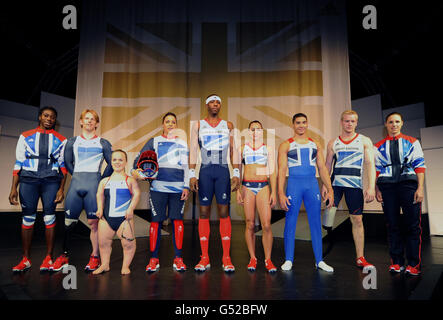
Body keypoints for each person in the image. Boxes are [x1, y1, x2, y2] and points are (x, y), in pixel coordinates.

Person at [51, 109, 113, 272]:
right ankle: (64, 256)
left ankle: (95, 256)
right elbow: (67, 162)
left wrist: (100, 179)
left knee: (94, 224)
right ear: (81, 121)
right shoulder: (72, 142)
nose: (89, 121)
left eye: (93, 119)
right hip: (76, 185)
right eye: (86, 118)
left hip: (94, 185)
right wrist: (77, 175)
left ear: (97, 124)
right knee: (68, 223)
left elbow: (112, 164)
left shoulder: (103, 142)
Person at [9, 106, 67, 272]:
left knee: (49, 218)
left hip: (51, 181)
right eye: (46, 115)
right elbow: (18, 162)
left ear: (55, 120)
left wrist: (61, 189)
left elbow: (63, 166)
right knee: (28, 219)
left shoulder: (61, 140)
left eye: (52, 117)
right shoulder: (25, 136)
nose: (49, 119)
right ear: (40, 117)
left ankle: (48, 258)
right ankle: (25, 259)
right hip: (28, 181)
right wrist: (13, 187)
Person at [132, 112, 190, 272]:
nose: (170, 124)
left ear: (176, 125)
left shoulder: (183, 144)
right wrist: (141, 173)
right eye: (167, 121)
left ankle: (178, 258)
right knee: (156, 222)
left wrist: (186, 186)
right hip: (158, 188)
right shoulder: (154, 141)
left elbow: (186, 167)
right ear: (162, 125)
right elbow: (138, 161)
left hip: (178, 189)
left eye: (173, 122)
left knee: (177, 221)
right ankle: (154, 259)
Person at [189, 94, 241, 273]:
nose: (215, 104)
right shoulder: (198, 125)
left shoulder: (228, 125)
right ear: (206, 105)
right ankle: (204, 257)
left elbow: (233, 150)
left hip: (222, 172)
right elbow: (194, 151)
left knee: (224, 211)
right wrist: (191, 174)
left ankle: (226, 257)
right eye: (212, 101)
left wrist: (236, 172)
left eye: (218, 102)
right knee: (203, 212)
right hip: (204, 172)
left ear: (220, 105)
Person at [278, 113, 334, 272]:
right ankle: (288, 259)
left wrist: (329, 189)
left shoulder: (315, 144)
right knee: (290, 221)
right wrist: (281, 193)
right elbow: (281, 170)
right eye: (298, 123)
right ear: (293, 125)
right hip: (294, 185)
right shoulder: (285, 145)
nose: (301, 125)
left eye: (303, 122)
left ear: (307, 124)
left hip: (311, 185)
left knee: (316, 222)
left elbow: (322, 168)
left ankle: (319, 260)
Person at [322, 110, 376, 268]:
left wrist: (371, 187)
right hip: (335, 186)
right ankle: (321, 254)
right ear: (341, 122)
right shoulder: (333, 142)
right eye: (346, 121)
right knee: (328, 216)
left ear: (356, 123)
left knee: (357, 220)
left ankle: (360, 257)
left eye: (352, 121)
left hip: (354, 186)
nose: (349, 124)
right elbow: (327, 166)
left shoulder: (364, 141)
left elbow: (370, 165)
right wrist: (325, 186)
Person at [374, 112, 426, 276]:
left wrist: (420, 188)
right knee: (392, 225)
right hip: (387, 187)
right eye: (391, 122)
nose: (394, 124)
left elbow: (420, 166)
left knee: (412, 225)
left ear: (402, 123)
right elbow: (376, 169)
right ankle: (396, 262)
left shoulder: (412, 142)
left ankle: (413, 264)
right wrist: (377, 189)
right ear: (386, 125)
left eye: (397, 121)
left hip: (408, 185)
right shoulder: (378, 146)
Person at [236, 120, 277, 272]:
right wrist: (238, 190)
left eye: (258, 129)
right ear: (248, 132)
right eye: (252, 129)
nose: (255, 132)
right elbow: (237, 171)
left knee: (266, 224)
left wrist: (273, 191)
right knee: (250, 224)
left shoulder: (268, 149)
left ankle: (268, 259)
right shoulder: (242, 149)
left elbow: (272, 171)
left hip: (263, 187)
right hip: (247, 187)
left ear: (262, 131)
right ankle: (253, 258)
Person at [93, 149, 140, 275]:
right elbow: (99, 195)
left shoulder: (129, 180)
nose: (117, 162)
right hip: (106, 218)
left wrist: (131, 209)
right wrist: (99, 208)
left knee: (128, 244)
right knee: (103, 243)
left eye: (120, 160)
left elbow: (136, 194)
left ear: (125, 162)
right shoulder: (104, 181)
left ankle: (125, 266)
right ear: (111, 162)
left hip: (124, 219)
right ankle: (105, 264)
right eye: (114, 160)